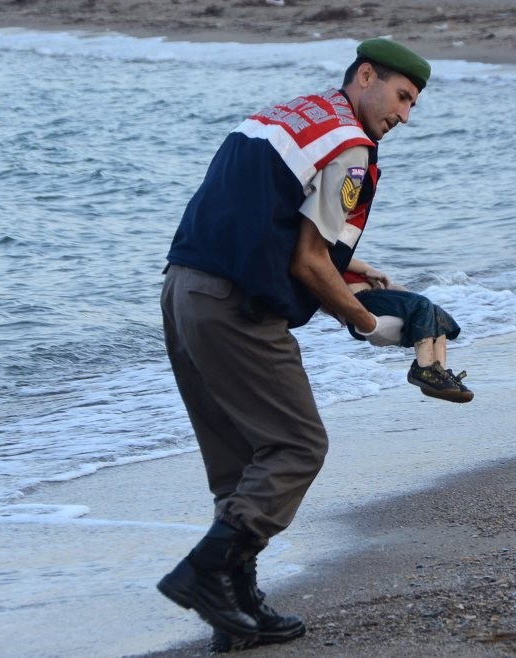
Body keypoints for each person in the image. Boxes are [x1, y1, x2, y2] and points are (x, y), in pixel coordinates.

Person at [156, 38, 438, 652]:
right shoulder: (352, 148)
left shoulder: (289, 115)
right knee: (297, 445)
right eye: (402, 97)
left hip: (183, 291)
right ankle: (204, 571)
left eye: (413, 105)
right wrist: (367, 324)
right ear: (367, 75)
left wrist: (352, 268)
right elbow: (308, 264)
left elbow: (264, 215)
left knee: (238, 465)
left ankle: (236, 614)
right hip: (235, 307)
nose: (404, 115)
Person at [343, 256, 474, 403]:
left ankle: (439, 375)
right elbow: (338, 257)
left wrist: (391, 286)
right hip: (360, 300)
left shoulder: (351, 264)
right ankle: (424, 370)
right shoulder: (332, 257)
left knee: (434, 311)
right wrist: (368, 269)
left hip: (378, 296)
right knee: (422, 304)